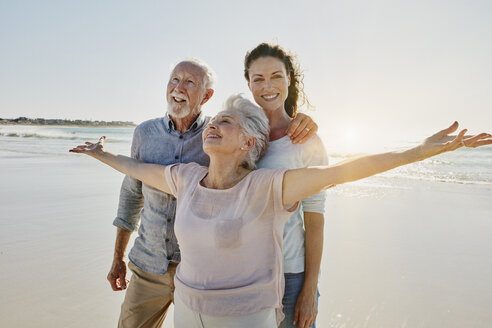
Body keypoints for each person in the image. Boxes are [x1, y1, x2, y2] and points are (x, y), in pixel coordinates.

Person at [70, 94, 492, 328]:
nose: (213, 125)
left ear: (249, 144)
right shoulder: (184, 178)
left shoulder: (268, 187)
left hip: (245, 319)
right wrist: (99, 153)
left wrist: (417, 152)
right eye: (214, 120)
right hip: (188, 310)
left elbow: (344, 171)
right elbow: (137, 169)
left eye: (227, 123)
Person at [109, 58, 318, 328]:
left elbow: (263, 147)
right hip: (149, 265)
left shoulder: (219, 135)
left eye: (189, 82)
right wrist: (118, 258)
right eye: (174, 79)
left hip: (205, 277)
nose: (179, 87)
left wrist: (300, 120)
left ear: (207, 96)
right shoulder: (145, 133)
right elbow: (131, 194)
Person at [244, 43, 327, 328]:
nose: (268, 86)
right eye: (258, 79)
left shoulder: (307, 141)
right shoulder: (237, 135)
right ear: (248, 83)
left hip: (291, 277)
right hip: (241, 274)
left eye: (276, 76)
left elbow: (314, 219)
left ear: (289, 79)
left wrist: (309, 290)